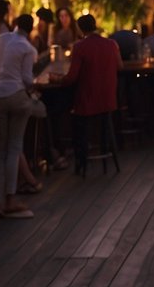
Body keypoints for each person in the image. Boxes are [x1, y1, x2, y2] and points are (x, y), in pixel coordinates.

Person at [52, 14, 122, 175]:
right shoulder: (111, 44)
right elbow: (120, 66)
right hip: (109, 100)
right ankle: (107, 156)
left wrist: (57, 79)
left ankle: (80, 161)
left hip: (87, 102)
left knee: (67, 115)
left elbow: (71, 78)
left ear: (79, 28)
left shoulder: (80, 47)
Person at [0, 14, 39, 220]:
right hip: (17, 96)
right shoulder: (28, 48)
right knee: (14, 148)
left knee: (0, 150)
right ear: (31, 29)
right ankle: (10, 200)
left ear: (16, 24)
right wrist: (35, 88)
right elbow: (27, 79)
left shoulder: (0, 39)